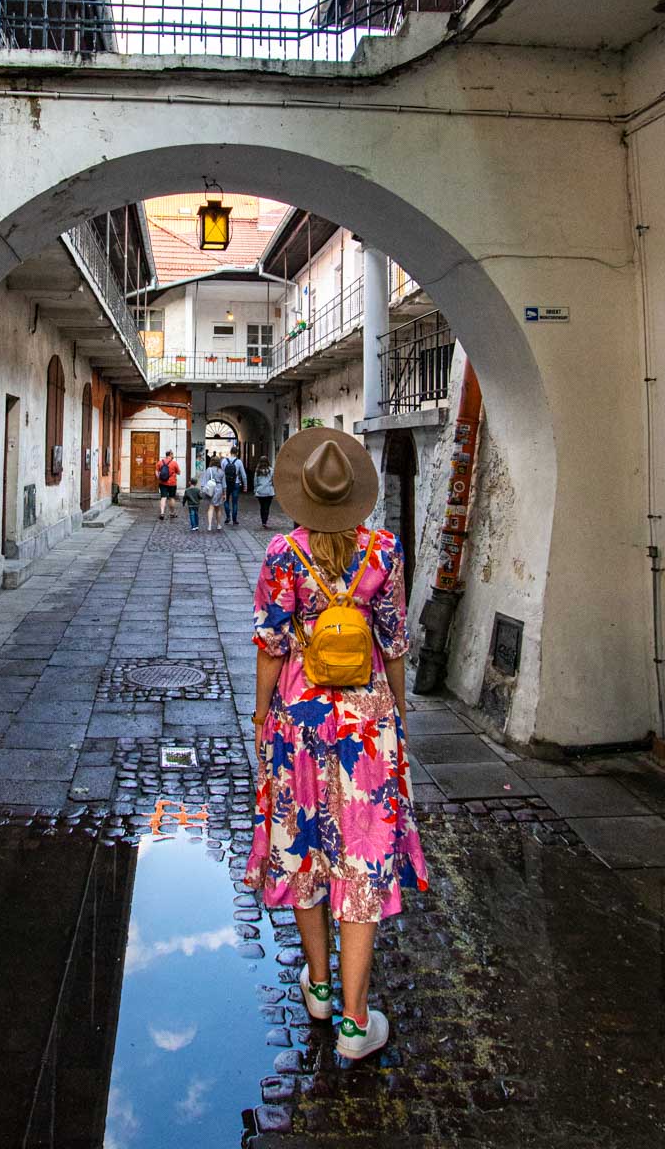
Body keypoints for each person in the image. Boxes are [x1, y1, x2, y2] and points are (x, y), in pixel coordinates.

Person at [244, 427, 428, 1061]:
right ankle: (355, 1022)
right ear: (356, 496)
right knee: (362, 856)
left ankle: (318, 989)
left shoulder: (282, 555)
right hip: (366, 726)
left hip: (299, 721)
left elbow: (270, 646)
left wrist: (262, 715)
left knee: (305, 848)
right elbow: (395, 642)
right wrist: (395, 713)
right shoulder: (384, 551)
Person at [222, 447, 248, 525]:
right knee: (235, 502)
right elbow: (243, 475)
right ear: (237, 453)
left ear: (230, 452)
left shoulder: (224, 461)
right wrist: (245, 486)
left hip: (226, 484)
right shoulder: (239, 462)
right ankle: (234, 519)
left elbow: (221, 473)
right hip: (235, 483)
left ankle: (227, 516)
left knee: (225, 500)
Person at [200, 454, 225, 531]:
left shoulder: (208, 470)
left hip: (211, 489)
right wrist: (225, 494)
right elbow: (224, 484)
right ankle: (218, 524)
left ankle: (210, 525)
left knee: (211, 507)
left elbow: (204, 481)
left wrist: (203, 490)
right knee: (218, 508)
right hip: (219, 489)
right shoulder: (221, 471)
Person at [156, 448, 180, 520]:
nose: (173, 456)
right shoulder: (174, 463)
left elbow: (156, 472)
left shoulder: (160, 462)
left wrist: (159, 478)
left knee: (163, 497)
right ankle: (172, 513)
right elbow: (179, 472)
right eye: (172, 454)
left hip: (162, 483)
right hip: (172, 483)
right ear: (170, 455)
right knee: (172, 498)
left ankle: (162, 513)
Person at [254, 457, 275, 527]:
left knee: (262, 506)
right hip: (269, 491)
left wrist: (255, 490)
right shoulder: (271, 470)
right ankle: (265, 521)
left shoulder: (257, 471)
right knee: (267, 507)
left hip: (260, 492)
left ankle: (263, 521)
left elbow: (255, 482)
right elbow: (273, 481)